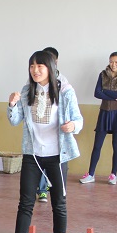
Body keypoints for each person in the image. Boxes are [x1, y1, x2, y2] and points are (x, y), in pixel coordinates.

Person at [5, 50, 83, 233]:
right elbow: (15, 120)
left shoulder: (65, 91)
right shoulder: (26, 91)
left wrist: (73, 126)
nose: (35, 70)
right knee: (25, 203)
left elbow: (78, 119)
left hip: (57, 155)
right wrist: (12, 105)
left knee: (59, 202)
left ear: (50, 67)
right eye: (32, 66)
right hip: (33, 155)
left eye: (40, 66)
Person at [80, 52, 117, 185]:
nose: (113, 64)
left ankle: (113, 174)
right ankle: (91, 174)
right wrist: (116, 97)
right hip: (104, 112)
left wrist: (105, 91)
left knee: (116, 144)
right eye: (111, 61)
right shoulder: (102, 74)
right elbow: (97, 93)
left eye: (116, 62)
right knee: (97, 144)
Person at [37, 47, 71, 202]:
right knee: (39, 164)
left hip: (57, 137)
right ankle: (42, 190)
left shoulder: (63, 83)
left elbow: (75, 116)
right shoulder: (34, 82)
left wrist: (72, 125)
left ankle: (58, 193)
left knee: (58, 172)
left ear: (55, 62)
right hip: (39, 137)